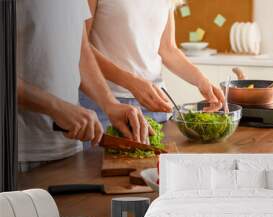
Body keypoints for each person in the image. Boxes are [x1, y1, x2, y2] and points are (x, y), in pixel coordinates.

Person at [16, 0, 151, 171]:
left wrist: (110, 104)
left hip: (70, 148)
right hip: (20, 154)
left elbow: (81, 51)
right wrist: (55, 107)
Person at [80, 0, 225, 128]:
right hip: (105, 103)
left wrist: (202, 81)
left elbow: (168, 49)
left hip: (154, 104)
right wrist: (131, 83)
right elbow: (80, 47)